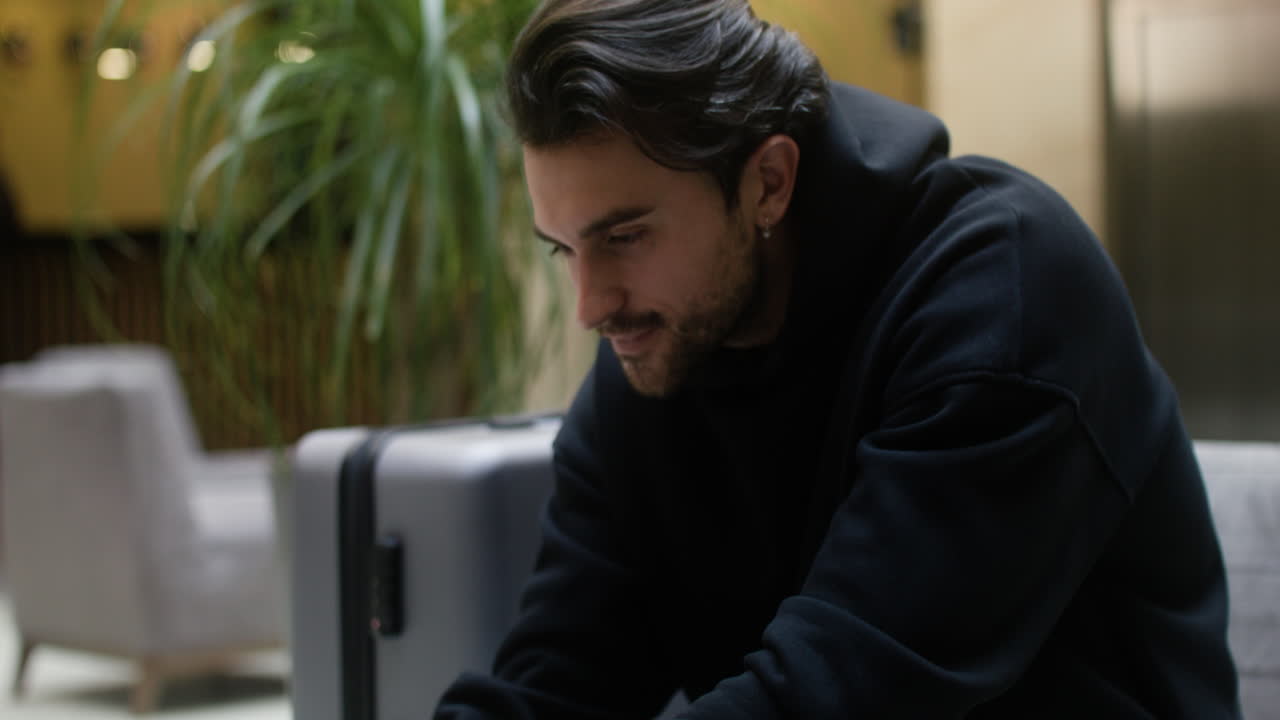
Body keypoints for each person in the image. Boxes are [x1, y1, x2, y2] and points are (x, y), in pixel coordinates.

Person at [436, 0, 1241, 717]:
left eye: (625, 237)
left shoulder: (1004, 293)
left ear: (769, 182)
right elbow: (554, 683)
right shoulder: (652, 365)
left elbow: (846, 690)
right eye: (562, 250)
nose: (591, 305)